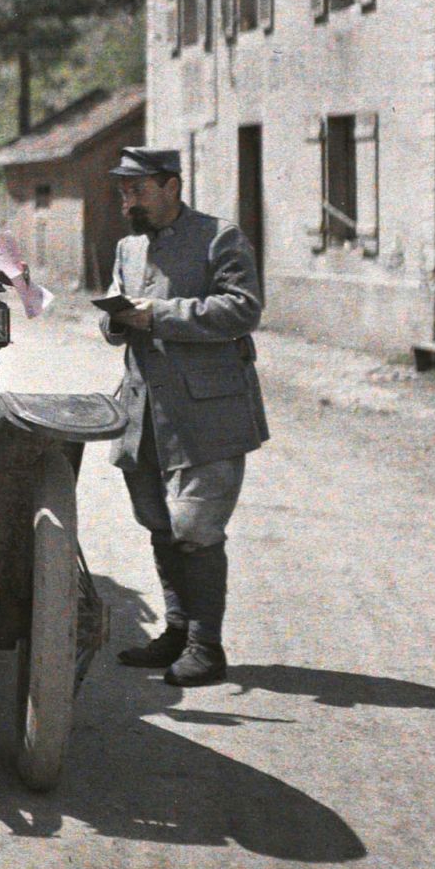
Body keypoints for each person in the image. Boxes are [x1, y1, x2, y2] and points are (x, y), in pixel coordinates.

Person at [100, 146, 268, 688]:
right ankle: (176, 631)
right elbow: (119, 315)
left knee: (196, 527)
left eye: (138, 189)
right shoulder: (127, 246)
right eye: (123, 189)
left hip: (207, 411)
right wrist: (117, 321)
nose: (128, 199)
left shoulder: (220, 236)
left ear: (171, 186)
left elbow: (244, 308)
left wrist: (159, 315)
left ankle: (206, 646)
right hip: (143, 410)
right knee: (158, 522)